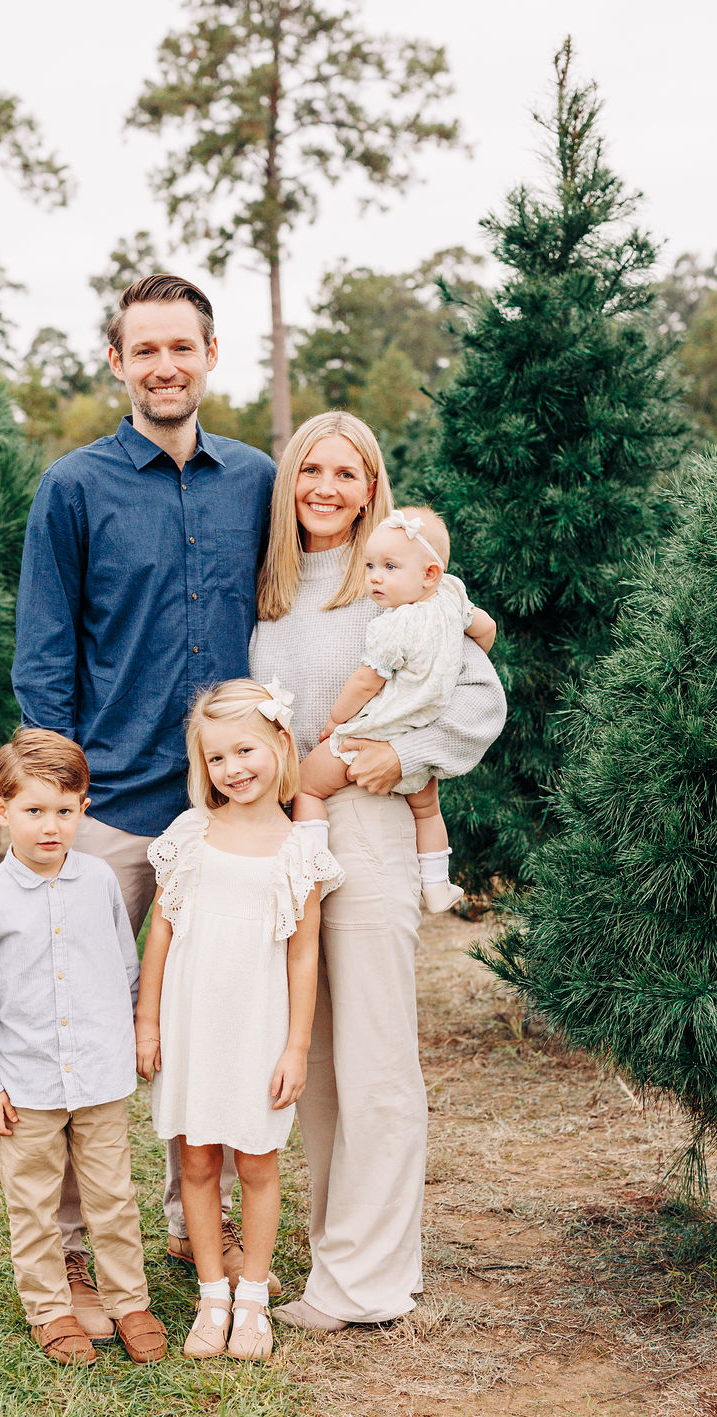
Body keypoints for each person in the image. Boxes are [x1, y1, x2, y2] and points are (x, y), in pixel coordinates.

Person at [11, 273, 279, 1330]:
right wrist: (60, 802)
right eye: (145, 349)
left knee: (209, 1016)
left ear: (212, 356)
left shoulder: (256, 479)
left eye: (183, 347)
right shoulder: (71, 490)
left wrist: (460, 621)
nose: (165, 365)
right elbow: (43, 653)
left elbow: (345, 569)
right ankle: (73, 1248)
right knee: (80, 1031)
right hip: (114, 805)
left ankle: (190, 1220)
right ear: (116, 363)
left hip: (228, 811)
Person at [249, 412, 506, 1331]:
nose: (325, 487)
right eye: (310, 469)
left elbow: (481, 697)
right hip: (283, 834)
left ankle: (371, 1283)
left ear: (372, 489)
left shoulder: (400, 579)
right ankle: (336, 1261)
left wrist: (402, 761)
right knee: (311, 1060)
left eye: (346, 474)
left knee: (374, 1057)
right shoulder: (268, 584)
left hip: (364, 826)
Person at [0, 729, 167, 1365]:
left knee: (113, 1198)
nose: (50, 827)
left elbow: (124, 966)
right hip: (26, 1087)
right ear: (1, 809)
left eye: (64, 811)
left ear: (84, 809)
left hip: (98, 1077)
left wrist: (134, 1031)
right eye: (34, 811)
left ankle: (128, 1301)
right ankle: (49, 1308)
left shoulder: (98, 882)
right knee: (35, 1205)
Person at [135, 681, 343, 1359]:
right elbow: (161, 932)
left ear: (281, 745)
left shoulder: (300, 850)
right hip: (192, 1022)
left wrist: (295, 1047)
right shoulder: (192, 834)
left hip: (257, 1027)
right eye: (217, 757)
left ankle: (253, 1298)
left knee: (257, 1162)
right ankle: (212, 1295)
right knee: (196, 1162)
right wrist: (148, 1021)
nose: (234, 768)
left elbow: (305, 954)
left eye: (245, 749)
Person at [293, 506, 497, 913]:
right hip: (420, 736)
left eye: (389, 566)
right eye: (371, 565)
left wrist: (337, 720)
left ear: (429, 574)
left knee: (306, 785)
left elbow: (367, 682)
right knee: (427, 812)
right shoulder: (453, 597)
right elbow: (487, 627)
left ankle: (311, 862)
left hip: (377, 735)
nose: (376, 577)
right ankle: (438, 885)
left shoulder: (392, 625)